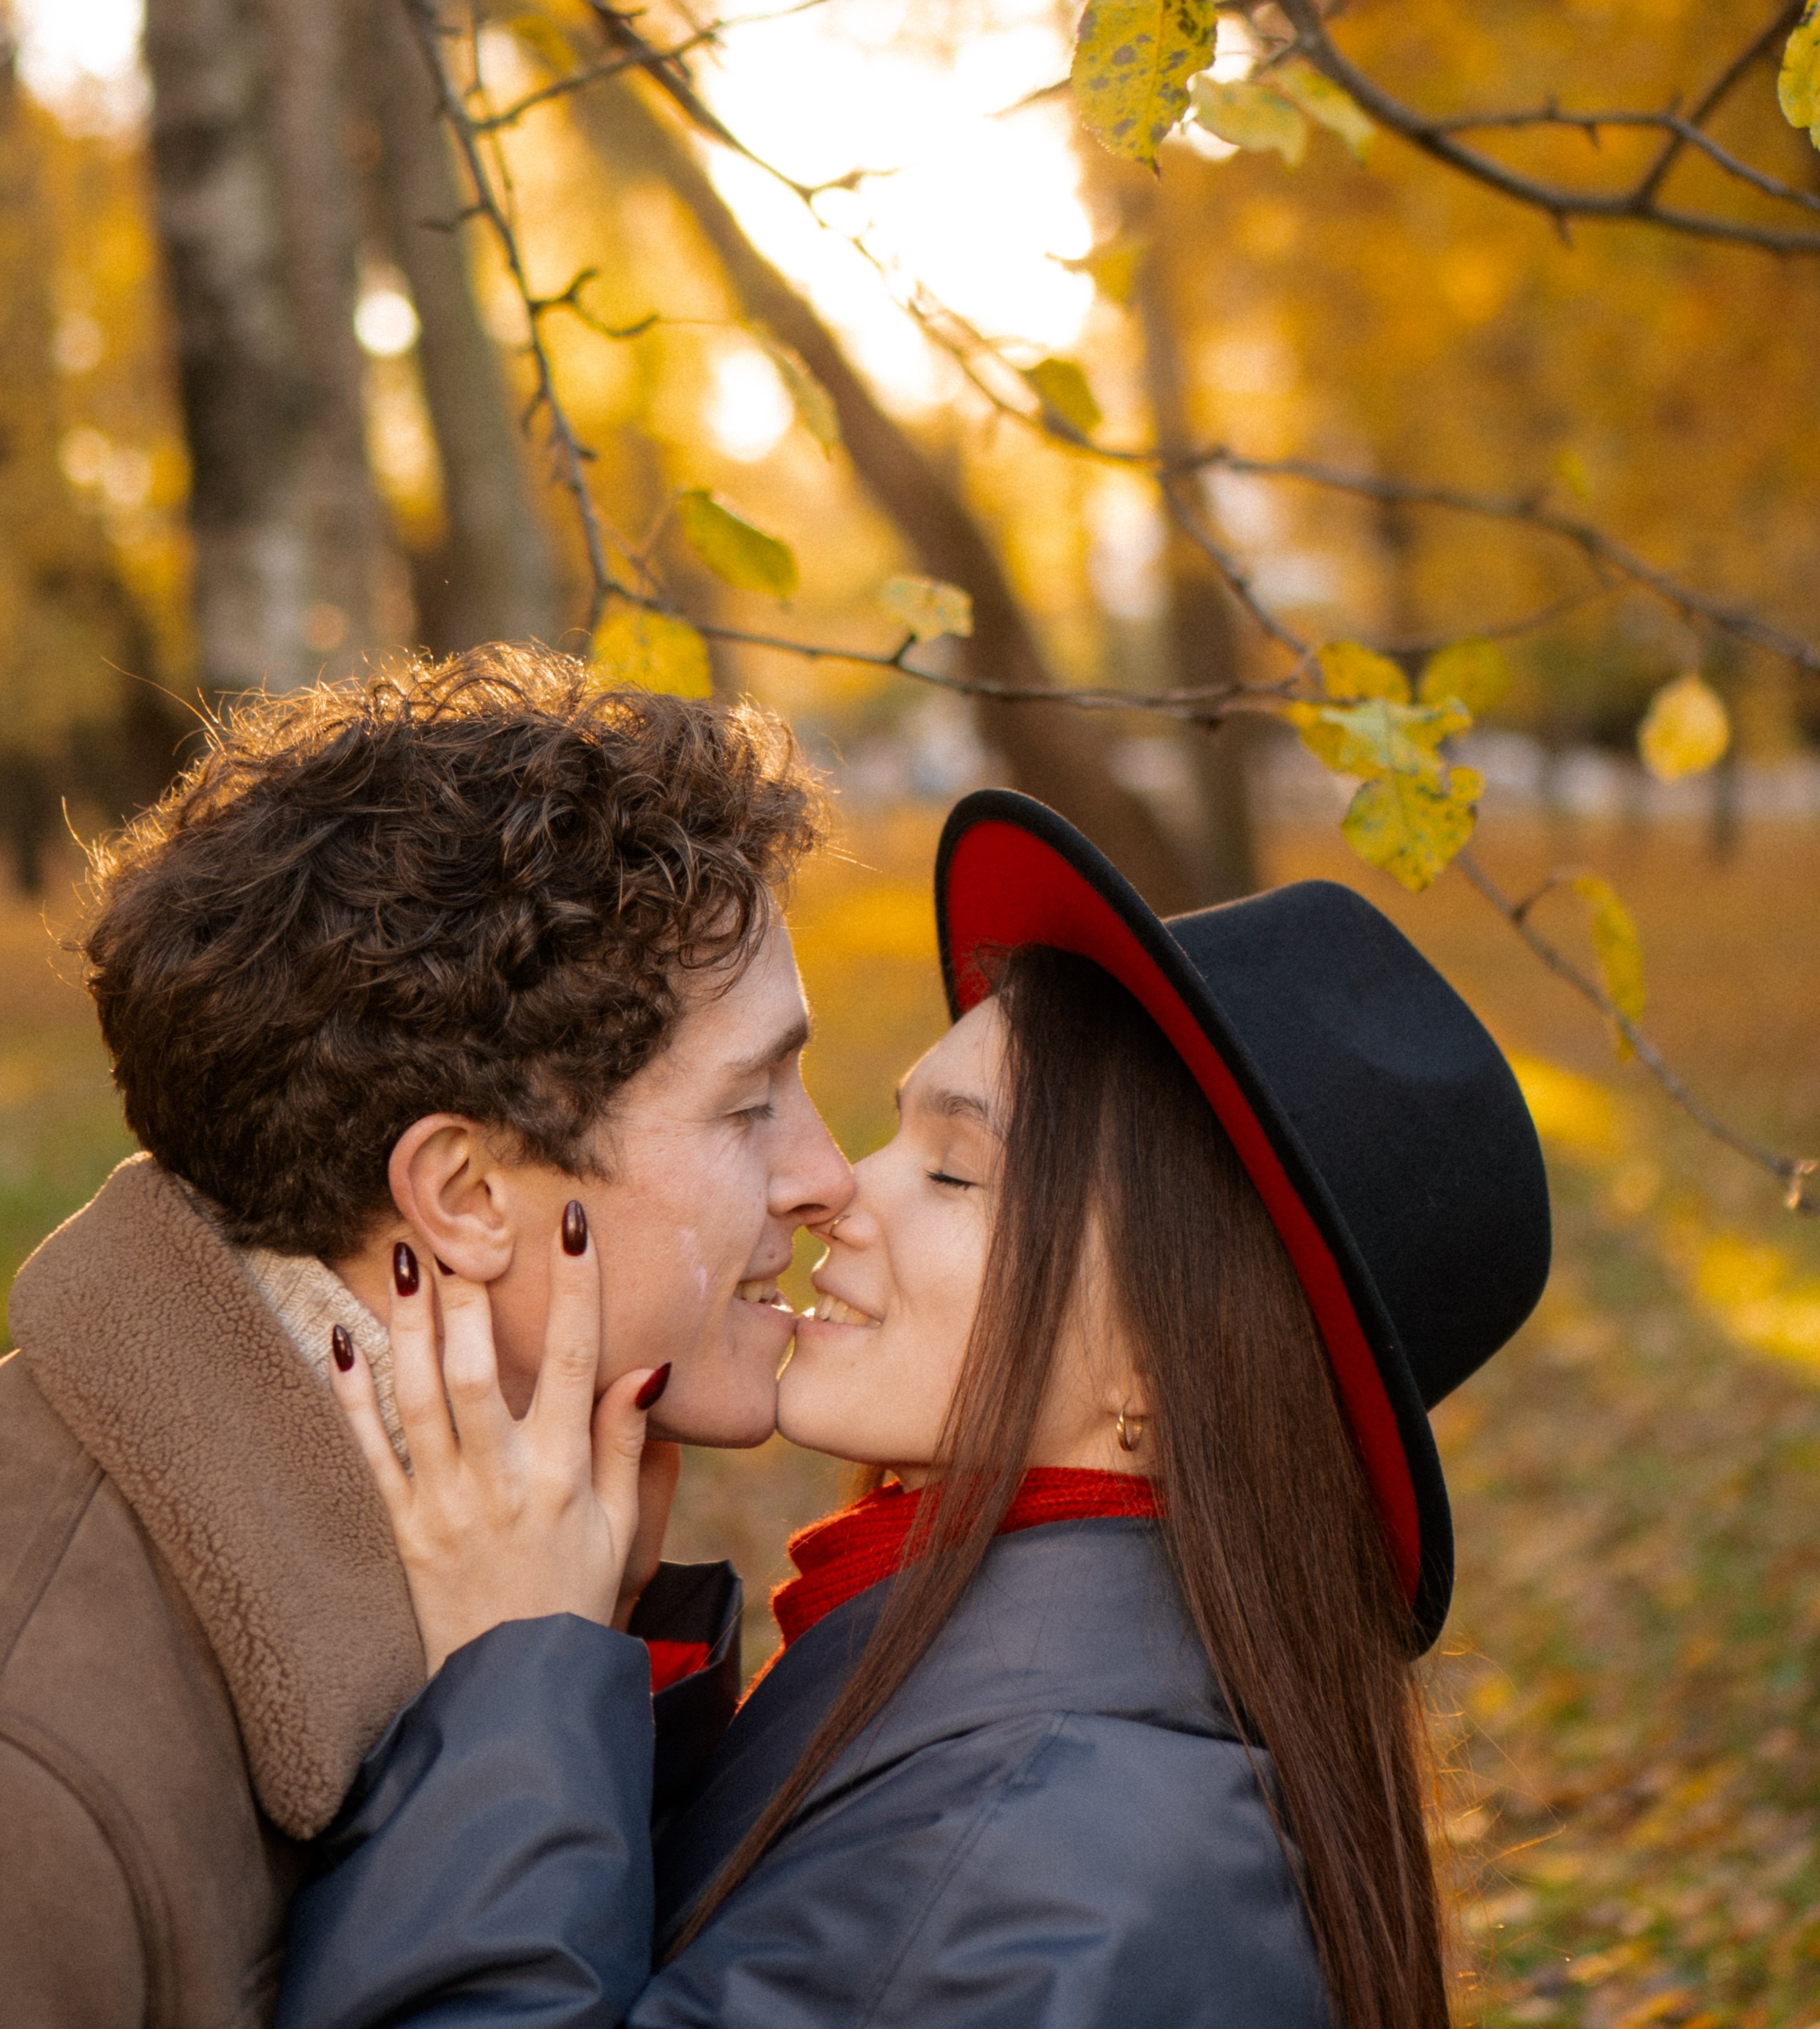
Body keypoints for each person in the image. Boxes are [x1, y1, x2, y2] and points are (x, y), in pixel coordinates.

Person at [278, 787, 1553, 2029]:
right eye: (895, 1132)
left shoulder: (1042, 1860)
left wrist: (512, 1689)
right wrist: (599, 1659)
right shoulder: (1006, 1718)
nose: (836, 1186)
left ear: (1158, 1376)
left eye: (954, 1170)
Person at [0, 644, 853, 2029]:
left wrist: (584, 1676)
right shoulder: (41, 1765)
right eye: (751, 1106)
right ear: (461, 1197)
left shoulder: (531, 1556)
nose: (832, 1179)